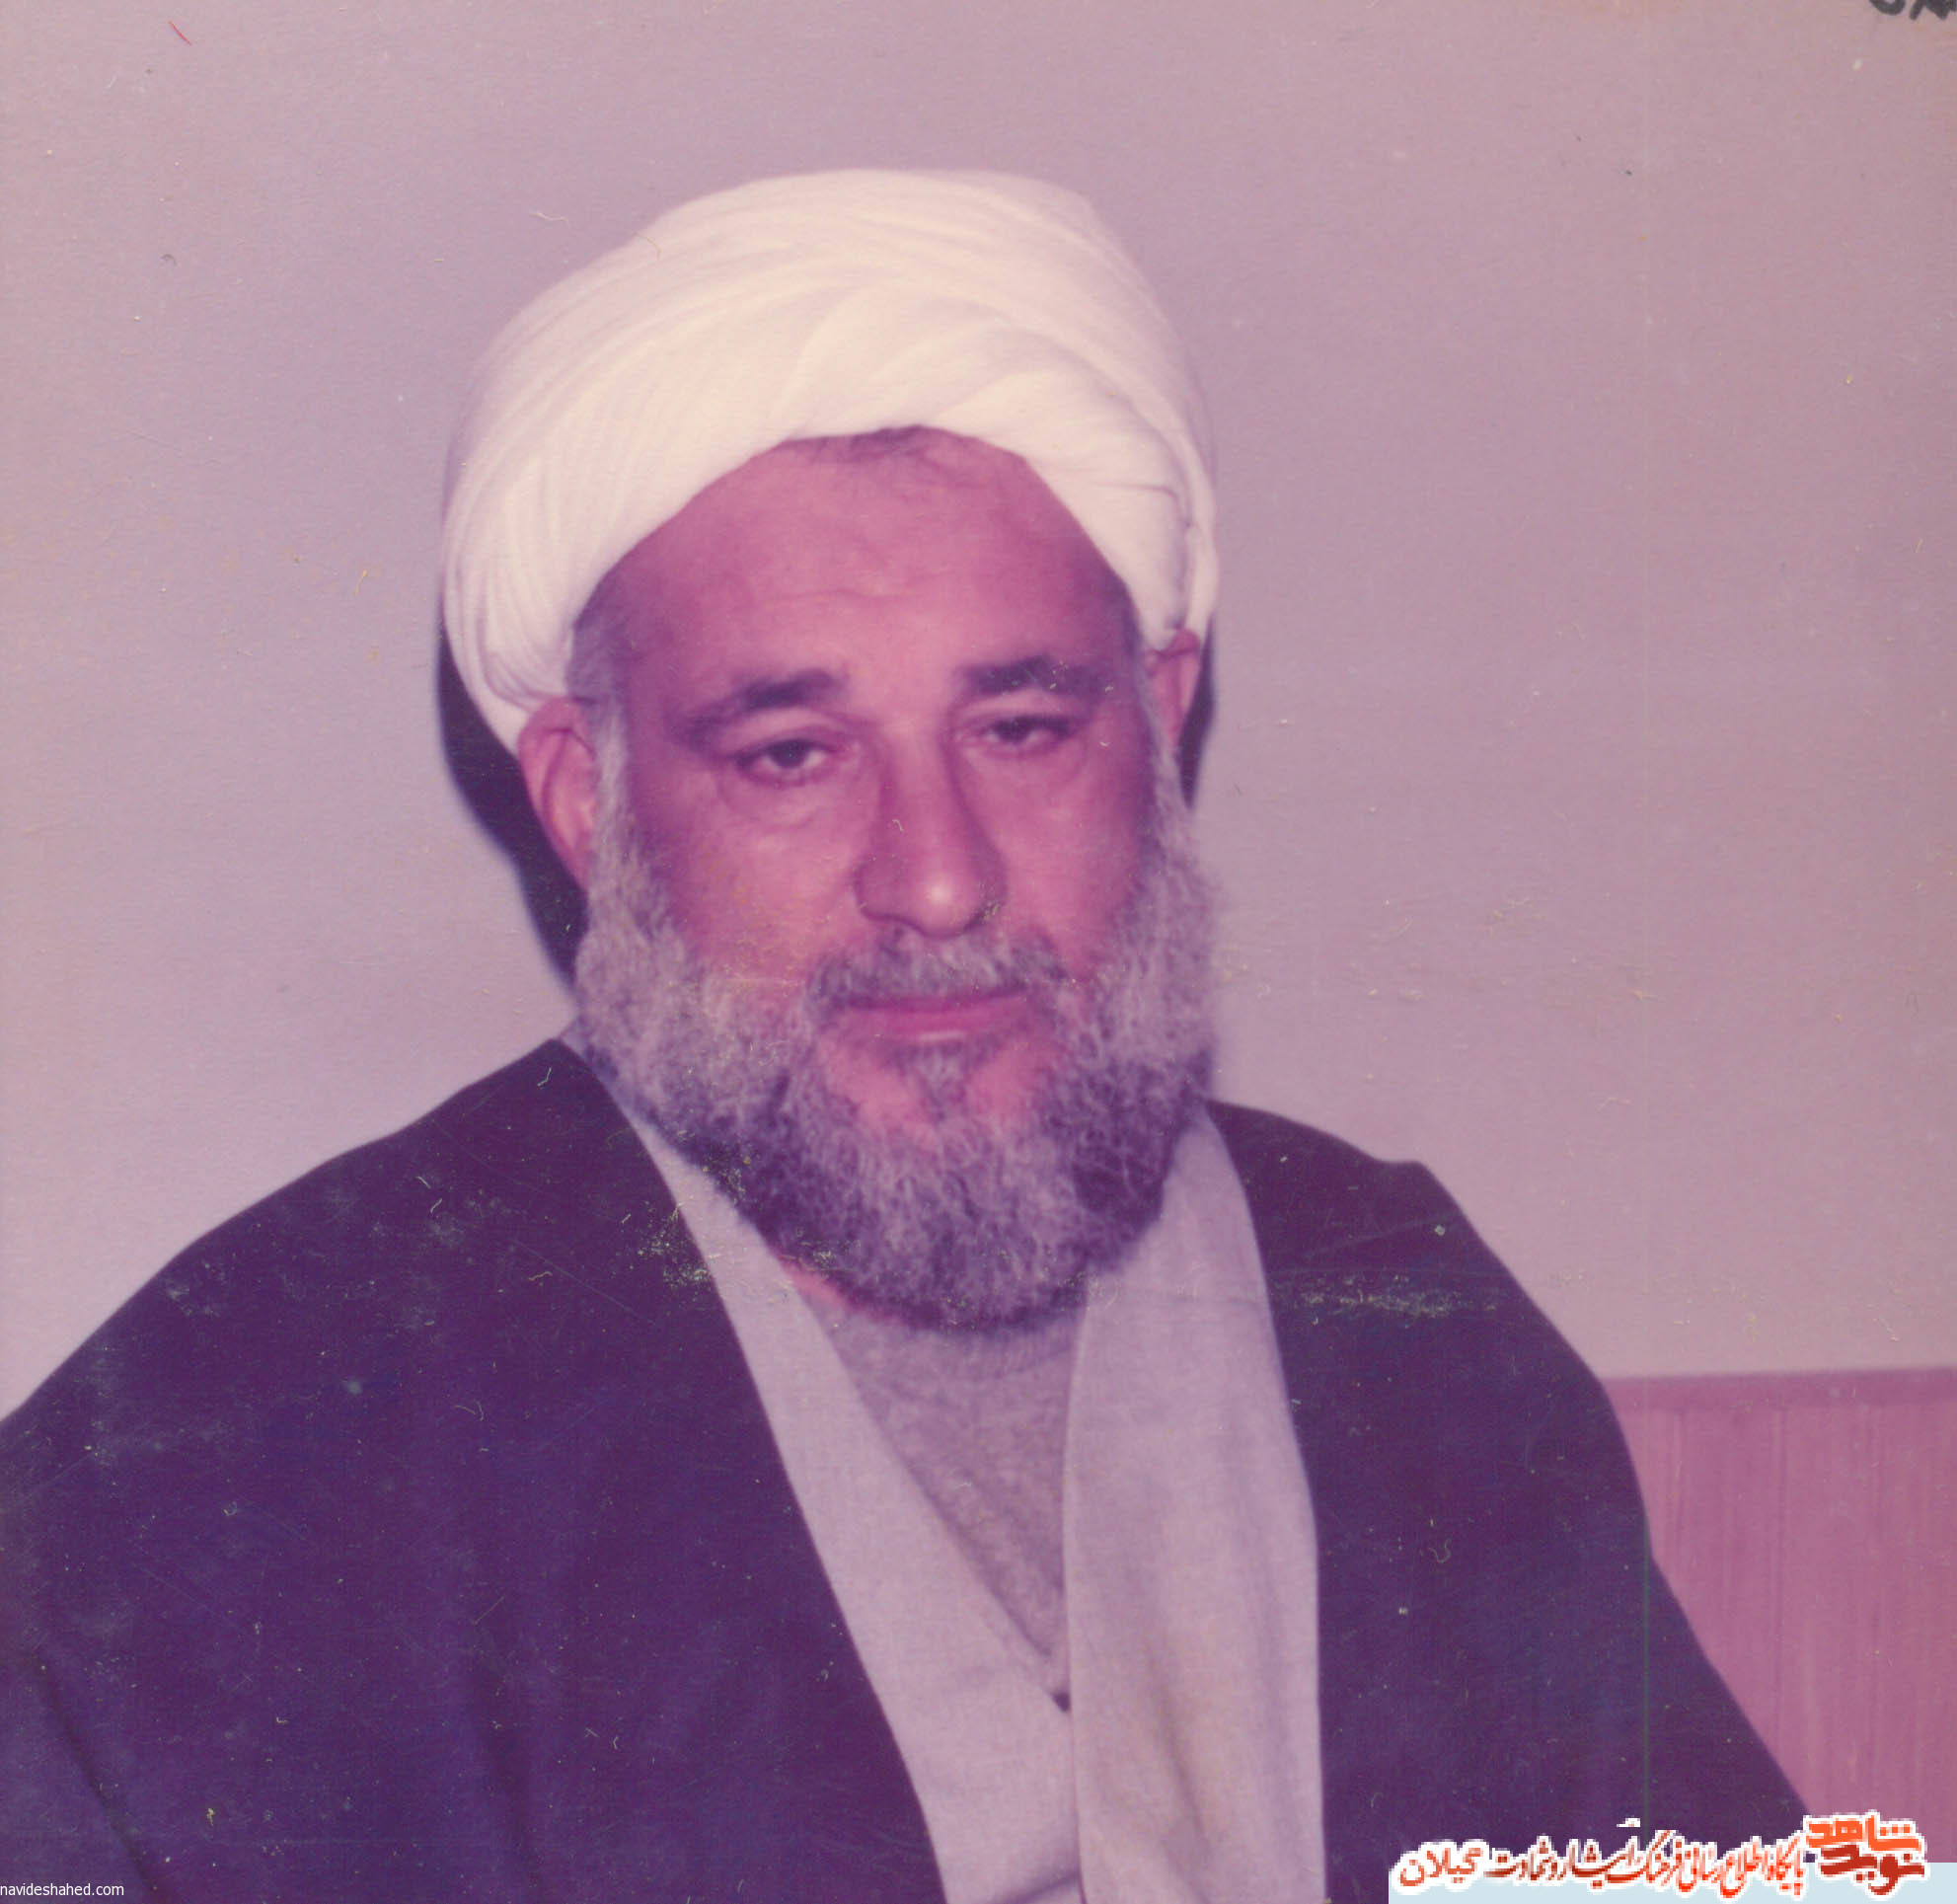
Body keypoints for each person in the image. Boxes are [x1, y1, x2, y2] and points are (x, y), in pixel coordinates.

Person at [0, 170, 1799, 1902]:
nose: (937, 879)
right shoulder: (232, 1448)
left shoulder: (1397, 1320)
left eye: (1021, 729)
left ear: (1160, 718)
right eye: (792, 756)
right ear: (588, 801)